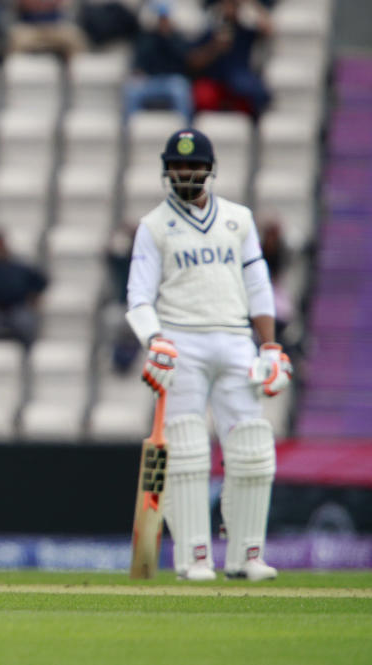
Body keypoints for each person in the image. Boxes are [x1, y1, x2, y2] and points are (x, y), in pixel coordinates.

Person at [125, 128, 292, 582]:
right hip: (182, 341)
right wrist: (154, 339)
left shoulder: (238, 219)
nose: (185, 172)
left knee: (253, 448)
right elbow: (138, 298)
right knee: (188, 449)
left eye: (193, 165)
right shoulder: (154, 226)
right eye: (177, 166)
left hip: (236, 339)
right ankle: (194, 558)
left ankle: (246, 556)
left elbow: (258, 285)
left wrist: (271, 345)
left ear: (209, 168)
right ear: (166, 170)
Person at [187, 0, 272, 118]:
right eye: (227, 4)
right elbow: (193, 62)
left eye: (234, 5)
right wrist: (214, 47)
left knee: (256, 94)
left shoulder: (245, 31)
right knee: (201, 96)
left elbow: (268, 29)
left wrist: (250, 3)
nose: (230, 8)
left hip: (240, 82)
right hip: (215, 82)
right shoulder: (211, 32)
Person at [123, 2, 194, 122]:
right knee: (131, 90)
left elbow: (184, 59)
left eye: (165, 18)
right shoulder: (145, 37)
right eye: (160, 19)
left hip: (171, 80)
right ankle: (128, 130)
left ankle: (186, 128)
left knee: (181, 89)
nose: (162, 22)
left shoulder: (177, 37)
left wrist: (168, 37)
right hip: (149, 80)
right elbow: (139, 61)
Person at [8, 0, 87, 62]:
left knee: (74, 38)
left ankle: (75, 78)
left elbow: (63, 4)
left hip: (56, 26)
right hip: (29, 26)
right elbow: (24, 4)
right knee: (15, 40)